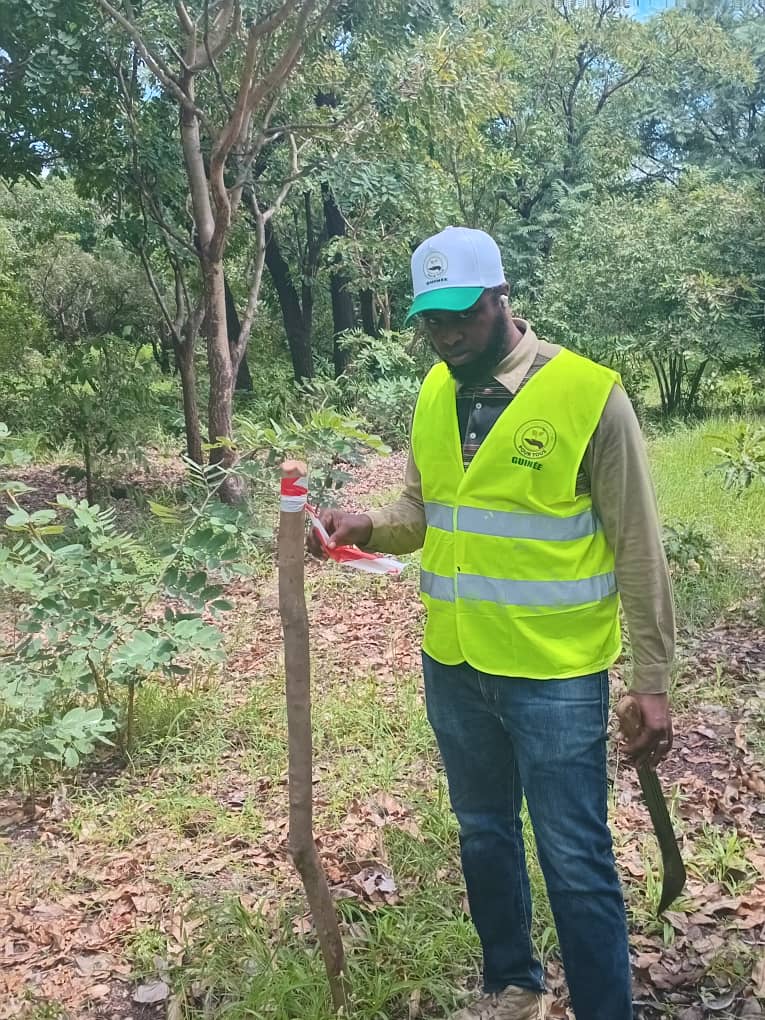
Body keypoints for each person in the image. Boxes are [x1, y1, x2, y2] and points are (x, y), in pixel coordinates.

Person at [308, 226, 675, 1020]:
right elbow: (423, 511)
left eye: (459, 317)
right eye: (430, 322)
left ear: (498, 298)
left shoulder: (587, 394)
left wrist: (651, 683)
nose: (444, 337)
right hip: (456, 661)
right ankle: (512, 985)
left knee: (574, 857)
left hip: (555, 674)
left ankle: (604, 1009)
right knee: (481, 833)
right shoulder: (436, 390)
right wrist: (362, 523)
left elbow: (640, 549)